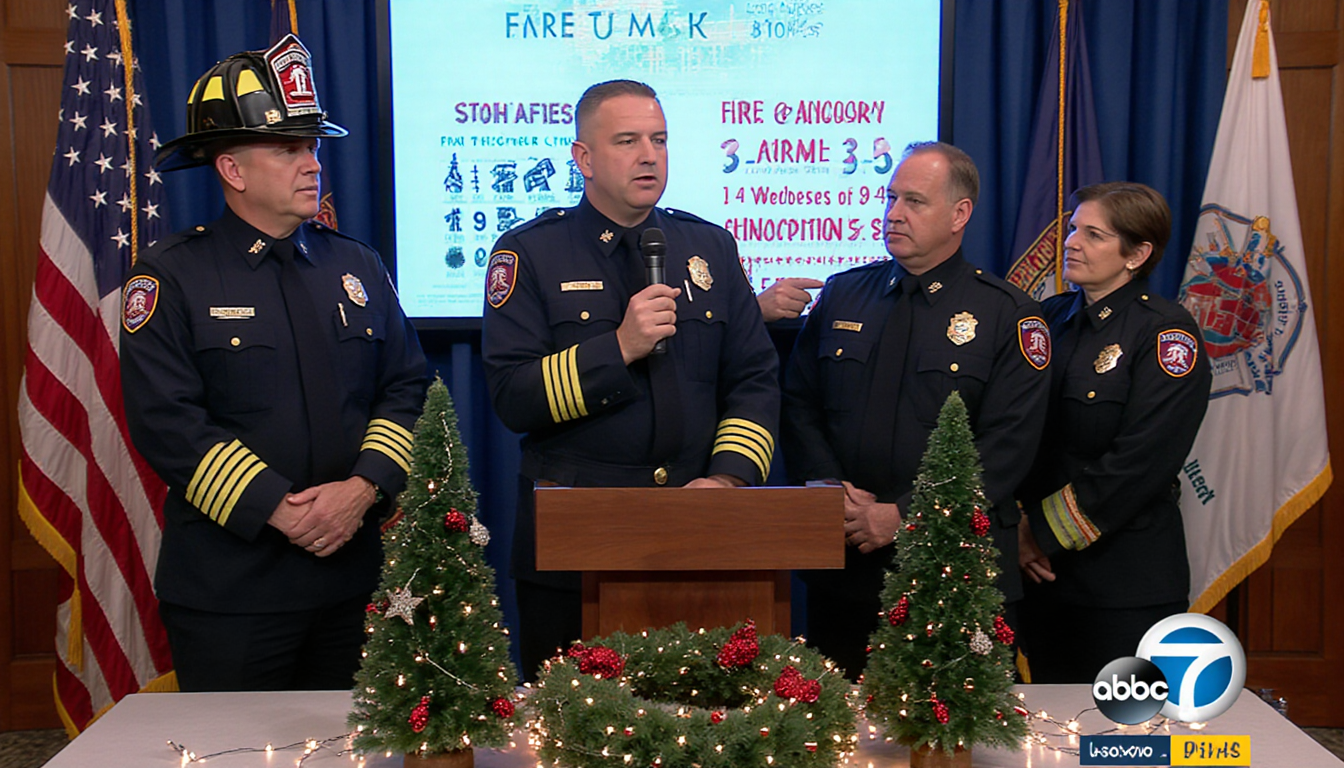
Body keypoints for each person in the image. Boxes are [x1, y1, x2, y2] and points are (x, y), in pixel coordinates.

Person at [120, 35, 427, 691]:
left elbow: (406, 387)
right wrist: (281, 511)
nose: (312, 164)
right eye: (288, 149)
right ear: (232, 170)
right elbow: (166, 421)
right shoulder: (172, 276)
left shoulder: (357, 265)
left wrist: (362, 489)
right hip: (234, 590)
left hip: (352, 580)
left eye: (313, 147)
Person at [481, 80, 779, 680]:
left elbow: (754, 378)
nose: (649, 154)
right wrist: (618, 348)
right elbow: (513, 397)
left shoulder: (710, 247)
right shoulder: (529, 253)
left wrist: (728, 478)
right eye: (628, 140)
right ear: (584, 159)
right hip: (577, 541)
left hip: (698, 530)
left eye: (659, 139)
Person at [781, 141, 1051, 680]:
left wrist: (903, 515)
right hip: (844, 562)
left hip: (951, 569)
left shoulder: (1009, 316)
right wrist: (827, 488)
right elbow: (799, 405)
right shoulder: (844, 294)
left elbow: (1005, 447)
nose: (894, 214)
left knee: (953, 751)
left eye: (914, 201)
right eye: (891, 198)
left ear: (960, 214)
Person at [1016, 182, 1211, 683]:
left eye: (1094, 234)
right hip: (1043, 578)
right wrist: (1018, 531)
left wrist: (1036, 535)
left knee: (1117, 742)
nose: (1072, 242)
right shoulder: (1050, 318)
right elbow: (1015, 430)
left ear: (1137, 253)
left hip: (1122, 586)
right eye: (1074, 228)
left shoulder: (1166, 333)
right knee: (1048, 740)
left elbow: (1139, 463)